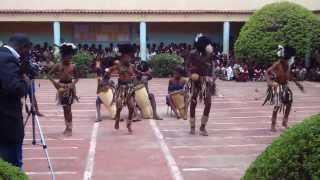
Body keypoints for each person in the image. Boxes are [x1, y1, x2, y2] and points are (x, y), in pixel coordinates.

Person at [0, 34, 31, 167]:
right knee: (13, 165)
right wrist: (25, 81)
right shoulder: (7, 59)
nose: (27, 55)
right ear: (23, 48)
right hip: (7, 124)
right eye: (27, 51)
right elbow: (16, 88)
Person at [263, 45, 304, 132]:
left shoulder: (288, 65)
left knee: (289, 103)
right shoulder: (277, 64)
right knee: (277, 106)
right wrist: (269, 82)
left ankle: (285, 121)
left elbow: (289, 76)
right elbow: (267, 72)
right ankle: (273, 124)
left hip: (285, 86)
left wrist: (298, 84)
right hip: (278, 86)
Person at [186, 34, 216, 136]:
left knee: (208, 103)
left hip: (205, 81)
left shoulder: (209, 54)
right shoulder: (192, 53)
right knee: (193, 102)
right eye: (207, 44)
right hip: (194, 82)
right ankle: (192, 126)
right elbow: (187, 67)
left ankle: (202, 127)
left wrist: (212, 77)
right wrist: (191, 75)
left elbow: (212, 66)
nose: (209, 46)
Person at [48, 43, 79, 136]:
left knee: (68, 109)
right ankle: (67, 126)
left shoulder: (73, 66)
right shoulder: (58, 65)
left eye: (70, 57)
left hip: (69, 88)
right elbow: (49, 75)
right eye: (67, 57)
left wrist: (72, 85)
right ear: (63, 56)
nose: (69, 58)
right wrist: (55, 83)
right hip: (61, 87)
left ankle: (70, 128)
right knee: (65, 108)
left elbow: (77, 78)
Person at [106, 44, 136, 134]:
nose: (128, 59)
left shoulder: (132, 66)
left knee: (131, 107)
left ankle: (129, 124)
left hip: (129, 88)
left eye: (129, 57)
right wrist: (106, 76)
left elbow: (136, 74)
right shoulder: (118, 65)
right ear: (122, 57)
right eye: (126, 57)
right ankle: (117, 118)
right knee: (119, 107)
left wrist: (144, 74)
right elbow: (109, 70)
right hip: (121, 88)